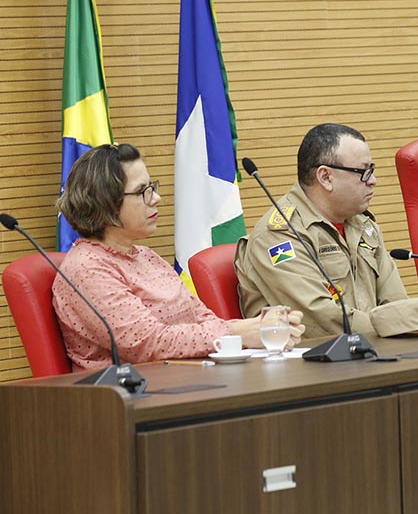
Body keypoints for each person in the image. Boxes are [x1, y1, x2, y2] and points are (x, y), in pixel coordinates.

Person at [52, 143, 304, 371]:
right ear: (104, 201)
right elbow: (147, 344)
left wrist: (260, 329)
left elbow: (202, 318)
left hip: (185, 379)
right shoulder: (87, 269)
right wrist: (239, 332)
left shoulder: (144, 256)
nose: (156, 198)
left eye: (152, 187)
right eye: (142, 191)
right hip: (128, 399)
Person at [236, 124, 418, 338]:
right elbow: (323, 321)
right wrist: (401, 324)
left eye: (372, 170)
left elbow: (396, 302)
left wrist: (410, 324)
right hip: (312, 367)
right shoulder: (279, 235)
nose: (373, 181)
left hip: (374, 355)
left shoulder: (363, 226)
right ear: (325, 177)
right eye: (363, 172)